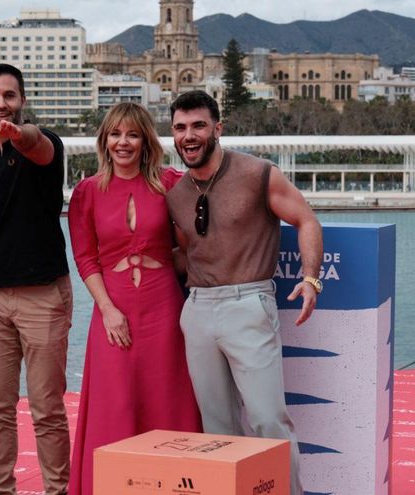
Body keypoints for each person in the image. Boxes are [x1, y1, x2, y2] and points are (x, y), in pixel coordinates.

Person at [167, 90, 323, 495]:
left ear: (218, 128)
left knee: (268, 419)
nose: (189, 135)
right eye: (181, 127)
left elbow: (306, 220)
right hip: (197, 309)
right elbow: (188, 253)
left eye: (198, 125)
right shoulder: (176, 194)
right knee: (216, 427)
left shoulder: (258, 173)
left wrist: (311, 278)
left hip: (248, 303)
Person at [67, 103, 202, 495]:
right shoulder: (87, 192)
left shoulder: (171, 183)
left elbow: (195, 240)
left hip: (164, 310)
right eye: (115, 134)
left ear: (146, 142)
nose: (123, 142)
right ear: (104, 141)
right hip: (112, 310)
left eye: (132, 134)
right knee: (115, 404)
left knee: (168, 400)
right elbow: (85, 257)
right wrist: (108, 310)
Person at [0, 63, 73, 495]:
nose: (1, 104)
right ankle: (0, 489)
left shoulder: (46, 144)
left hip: (44, 294)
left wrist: (17, 134)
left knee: (47, 407)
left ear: (22, 99)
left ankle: (56, 489)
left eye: (9, 95)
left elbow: (38, 146)